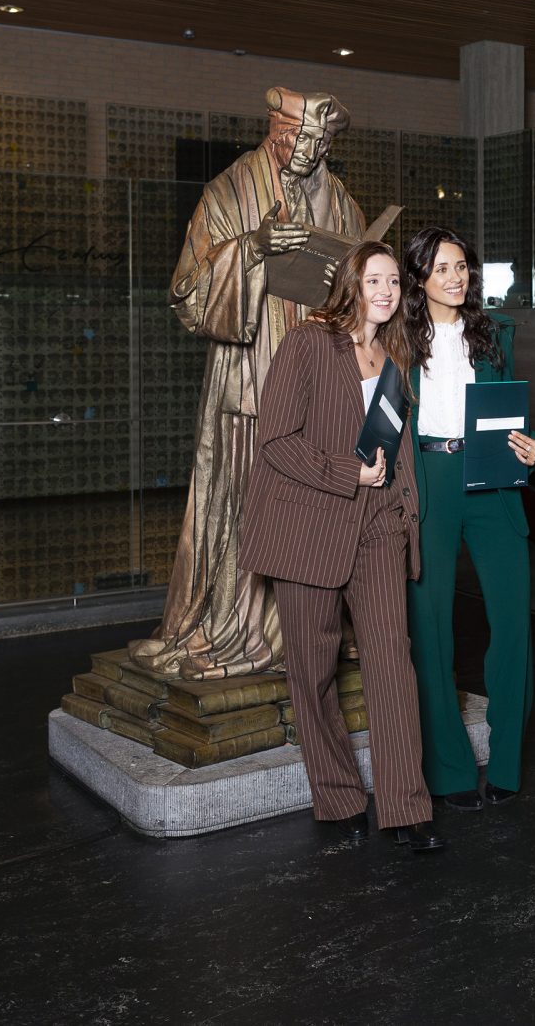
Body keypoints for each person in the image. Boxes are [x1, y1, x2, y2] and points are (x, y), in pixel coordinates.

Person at [133, 87, 367, 680]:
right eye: (299, 138)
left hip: (320, 380)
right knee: (246, 501)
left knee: (321, 502)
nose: (309, 151)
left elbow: (361, 286)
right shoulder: (228, 193)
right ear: (275, 131)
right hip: (251, 378)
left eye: (320, 143)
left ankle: (310, 628)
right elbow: (187, 291)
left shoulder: (341, 203)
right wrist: (252, 250)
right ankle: (239, 628)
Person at [239, 240, 445, 852]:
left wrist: (403, 513)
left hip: (377, 525)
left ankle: (407, 807)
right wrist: (346, 473)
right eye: (374, 280)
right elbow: (276, 439)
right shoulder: (308, 343)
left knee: (392, 663)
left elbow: (397, 449)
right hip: (309, 527)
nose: (386, 291)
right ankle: (337, 796)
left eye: (393, 282)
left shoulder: (397, 356)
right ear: (351, 284)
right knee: (313, 671)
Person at [400, 227, 535, 812]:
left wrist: (530, 445)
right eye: (441, 269)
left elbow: (512, 413)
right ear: (419, 278)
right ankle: (449, 769)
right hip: (428, 476)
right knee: (430, 624)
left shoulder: (495, 334)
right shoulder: (398, 339)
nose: (455, 278)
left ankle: (506, 761)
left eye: (461, 267)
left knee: (512, 618)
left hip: (491, 478)